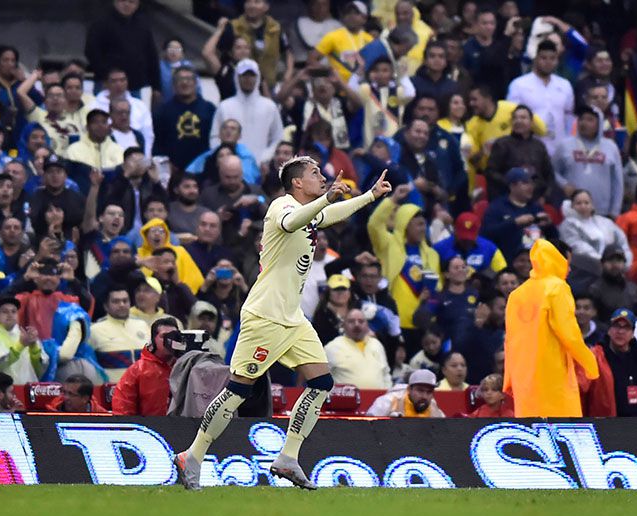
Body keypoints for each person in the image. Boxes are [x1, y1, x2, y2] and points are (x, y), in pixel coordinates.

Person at [174, 156, 393, 491]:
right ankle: (193, 455)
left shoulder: (311, 211)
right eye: (315, 173)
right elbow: (292, 223)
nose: (323, 176)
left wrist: (370, 196)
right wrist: (327, 199)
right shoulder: (281, 206)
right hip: (265, 316)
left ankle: (288, 457)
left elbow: (327, 216)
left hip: (293, 319)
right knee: (238, 390)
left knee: (321, 383)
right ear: (297, 183)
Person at [504, 239, 598, 417]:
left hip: (523, 377)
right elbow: (569, 334)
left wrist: (509, 378)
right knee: (559, 432)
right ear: (557, 260)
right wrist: (590, 363)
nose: (569, 269)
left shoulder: (516, 294)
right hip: (552, 374)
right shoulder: (557, 287)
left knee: (531, 432)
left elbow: (510, 341)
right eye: (567, 263)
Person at [367, 185, 440, 352]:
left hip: (423, 324)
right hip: (395, 322)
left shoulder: (432, 254)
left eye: (424, 224)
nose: (423, 229)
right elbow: (374, 225)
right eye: (418, 225)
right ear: (405, 224)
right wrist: (393, 200)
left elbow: (438, 287)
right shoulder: (389, 245)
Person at [578, 309, 637, 417]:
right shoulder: (595, 357)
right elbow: (581, 392)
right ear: (609, 330)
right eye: (616, 326)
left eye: (626, 327)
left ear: (632, 333)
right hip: (607, 427)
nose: (620, 331)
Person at [552, 106, 624, 218]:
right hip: (572, 211)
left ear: (599, 124)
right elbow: (552, 171)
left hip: (602, 212)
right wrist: (564, 184)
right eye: (581, 119)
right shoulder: (564, 145)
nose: (584, 123)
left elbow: (617, 182)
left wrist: (615, 211)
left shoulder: (610, 147)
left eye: (590, 120)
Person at [210, 59, 284, 165]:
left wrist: (266, 157)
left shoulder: (270, 107)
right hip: (230, 168)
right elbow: (215, 137)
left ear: (257, 77)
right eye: (244, 75)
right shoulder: (225, 106)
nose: (248, 79)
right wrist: (224, 158)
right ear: (237, 77)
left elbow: (278, 137)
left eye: (251, 75)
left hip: (262, 166)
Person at [506, 40, 574, 154]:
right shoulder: (519, 84)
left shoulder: (565, 85)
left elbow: (569, 117)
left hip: (559, 147)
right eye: (544, 58)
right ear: (536, 58)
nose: (548, 62)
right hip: (528, 149)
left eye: (552, 58)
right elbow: (511, 117)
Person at [558, 190, 632, 287]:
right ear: (572, 206)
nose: (583, 206)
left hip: (613, 269)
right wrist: (603, 263)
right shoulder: (568, 224)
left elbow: (622, 241)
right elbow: (578, 247)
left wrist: (625, 262)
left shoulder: (605, 222)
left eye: (586, 203)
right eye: (578, 203)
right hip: (584, 274)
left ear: (592, 205)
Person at [85, 0, 160, 95]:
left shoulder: (143, 24)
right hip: (107, 84)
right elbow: (91, 52)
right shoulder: (100, 22)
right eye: (122, 0)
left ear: (137, 4)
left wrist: (156, 86)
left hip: (135, 86)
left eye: (131, 2)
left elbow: (152, 55)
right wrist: (104, 76)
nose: (126, 4)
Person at [482, 167, 557, 263]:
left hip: (537, 262)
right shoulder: (497, 208)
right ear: (512, 186)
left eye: (532, 183)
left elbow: (554, 239)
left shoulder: (536, 207)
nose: (531, 187)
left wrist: (549, 226)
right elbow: (486, 235)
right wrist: (514, 223)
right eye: (525, 183)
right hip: (510, 261)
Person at [484, 105, 556, 201]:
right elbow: (490, 172)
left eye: (523, 117)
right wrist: (514, 184)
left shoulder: (539, 146)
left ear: (531, 122)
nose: (518, 121)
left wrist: (545, 197)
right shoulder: (502, 144)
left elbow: (549, 175)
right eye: (515, 118)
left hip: (535, 199)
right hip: (508, 198)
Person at [111, 316, 180, 416]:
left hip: (183, 427)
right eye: (164, 336)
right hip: (147, 429)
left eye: (173, 336)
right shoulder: (137, 370)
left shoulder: (187, 368)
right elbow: (123, 408)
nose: (169, 341)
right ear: (153, 340)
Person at [152, 66, 216, 171]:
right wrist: (166, 165)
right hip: (172, 172)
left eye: (189, 79)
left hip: (203, 170)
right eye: (180, 79)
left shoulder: (209, 109)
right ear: (173, 84)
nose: (185, 83)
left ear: (196, 83)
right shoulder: (162, 111)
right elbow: (157, 143)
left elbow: (214, 141)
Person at [0, 296, 48, 385]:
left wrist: (33, 348)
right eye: (4, 311)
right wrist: (20, 346)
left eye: (13, 311)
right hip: (0, 393)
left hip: (27, 390)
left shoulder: (26, 336)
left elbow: (40, 370)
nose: (10, 314)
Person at [89, 287, 149, 384]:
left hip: (144, 388)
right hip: (111, 392)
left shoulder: (142, 325)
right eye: (116, 301)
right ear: (106, 306)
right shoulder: (94, 330)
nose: (122, 305)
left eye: (125, 301)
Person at [325, 308, 391, 389]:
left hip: (377, 399)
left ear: (367, 325)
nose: (357, 324)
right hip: (345, 400)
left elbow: (385, 374)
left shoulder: (376, 344)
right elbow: (322, 377)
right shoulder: (332, 347)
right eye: (351, 321)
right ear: (343, 325)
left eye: (361, 321)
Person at [310, 1, 371, 82]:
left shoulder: (370, 40)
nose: (350, 16)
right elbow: (311, 60)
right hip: (338, 90)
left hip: (363, 90)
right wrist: (328, 72)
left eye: (355, 13)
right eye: (348, 13)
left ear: (364, 18)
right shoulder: (333, 36)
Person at [433, 212, 506, 277]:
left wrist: (480, 276)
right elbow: (434, 277)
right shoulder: (439, 249)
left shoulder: (491, 249)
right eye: (463, 238)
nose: (466, 242)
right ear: (455, 230)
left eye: (470, 239)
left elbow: (502, 273)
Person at [366, 368, 444, 418]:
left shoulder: (433, 406)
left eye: (429, 392)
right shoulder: (389, 400)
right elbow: (368, 425)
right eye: (420, 390)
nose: (424, 396)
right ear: (409, 389)